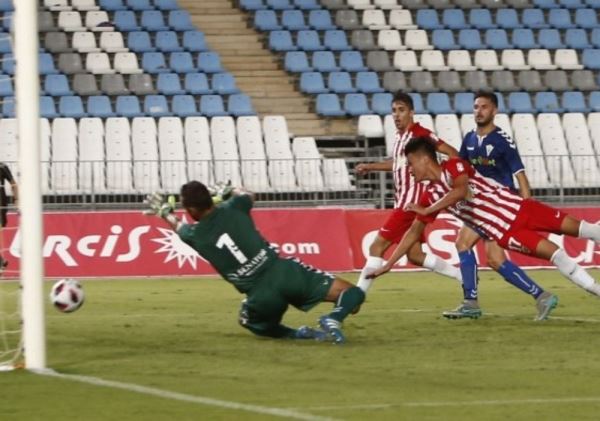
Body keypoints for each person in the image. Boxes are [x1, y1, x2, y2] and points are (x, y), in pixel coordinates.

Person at [367, 137, 600, 308]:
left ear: (423, 159)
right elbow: (412, 233)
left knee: (584, 229)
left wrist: (427, 209)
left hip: (524, 208)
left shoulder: (454, 166)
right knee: (557, 254)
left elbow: (459, 192)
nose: (408, 170)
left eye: (410, 163)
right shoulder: (429, 195)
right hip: (508, 232)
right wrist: (389, 264)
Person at [144, 181, 365, 344]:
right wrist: (230, 191)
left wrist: (165, 212)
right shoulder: (234, 206)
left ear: (191, 210)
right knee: (353, 294)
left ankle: (298, 334)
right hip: (284, 272)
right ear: (210, 199)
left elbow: (178, 226)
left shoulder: (194, 235)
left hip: (261, 295)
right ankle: (333, 318)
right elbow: (249, 194)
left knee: (251, 323)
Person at [445, 91, 557, 320]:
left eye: (484, 107)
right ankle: (541, 296)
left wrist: (526, 209)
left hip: (501, 207)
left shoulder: (502, 141)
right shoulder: (469, 139)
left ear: (494, 111)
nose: (479, 111)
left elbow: (521, 176)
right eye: (476, 107)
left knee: (463, 243)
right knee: (495, 259)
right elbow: (461, 171)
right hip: (482, 206)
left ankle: (471, 302)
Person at [354, 91, 462, 293]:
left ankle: (356, 295)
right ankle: (464, 277)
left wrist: (443, 180)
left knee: (376, 247)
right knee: (415, 255)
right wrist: (371, 166)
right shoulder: (400, 137)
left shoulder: (420, 134)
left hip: (411, 203)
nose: (396, 115)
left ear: (412, 112)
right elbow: (398, 164)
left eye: (401, 110)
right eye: (394, 111)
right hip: (406, 202)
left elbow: (452, 152)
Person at [0, 162, 18, 269]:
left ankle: (1, 262)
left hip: (1, 207)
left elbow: (13, 184)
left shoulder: (2, 167)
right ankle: (2, 262)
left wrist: (17, 200)